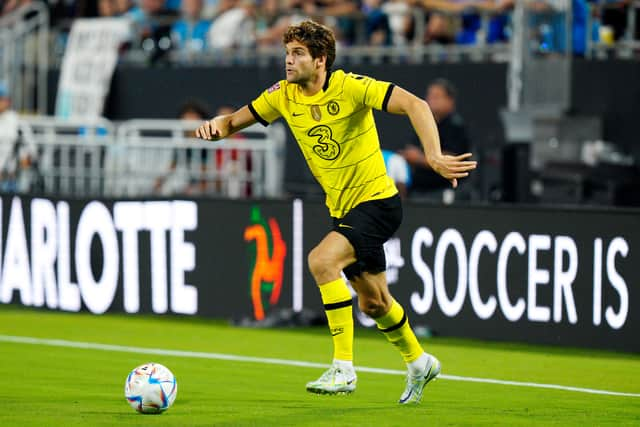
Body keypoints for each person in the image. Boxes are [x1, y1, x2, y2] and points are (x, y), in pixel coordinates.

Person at [195, 20, 476, 404]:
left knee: (321, 261)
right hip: (342, 208)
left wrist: (433, 155)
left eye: (297, 54)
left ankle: (343, 368)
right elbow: (232, 122)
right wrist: (216, 127)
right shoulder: (283, 95)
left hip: (377, 202)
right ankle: (419, 361)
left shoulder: (351, 87)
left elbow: (416, 104)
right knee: (374, 302)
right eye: (287, 53)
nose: (288, 62)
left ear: (321, 60)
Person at [400, 78, 471, 199]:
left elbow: (454, 160)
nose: (431, 100)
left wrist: (420, 158)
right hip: (418, 190)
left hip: (444, 191)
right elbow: (412, 149)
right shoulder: (423, 123)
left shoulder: (455, 126)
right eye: (429, 96)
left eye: (437, 97)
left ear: (450, 101)